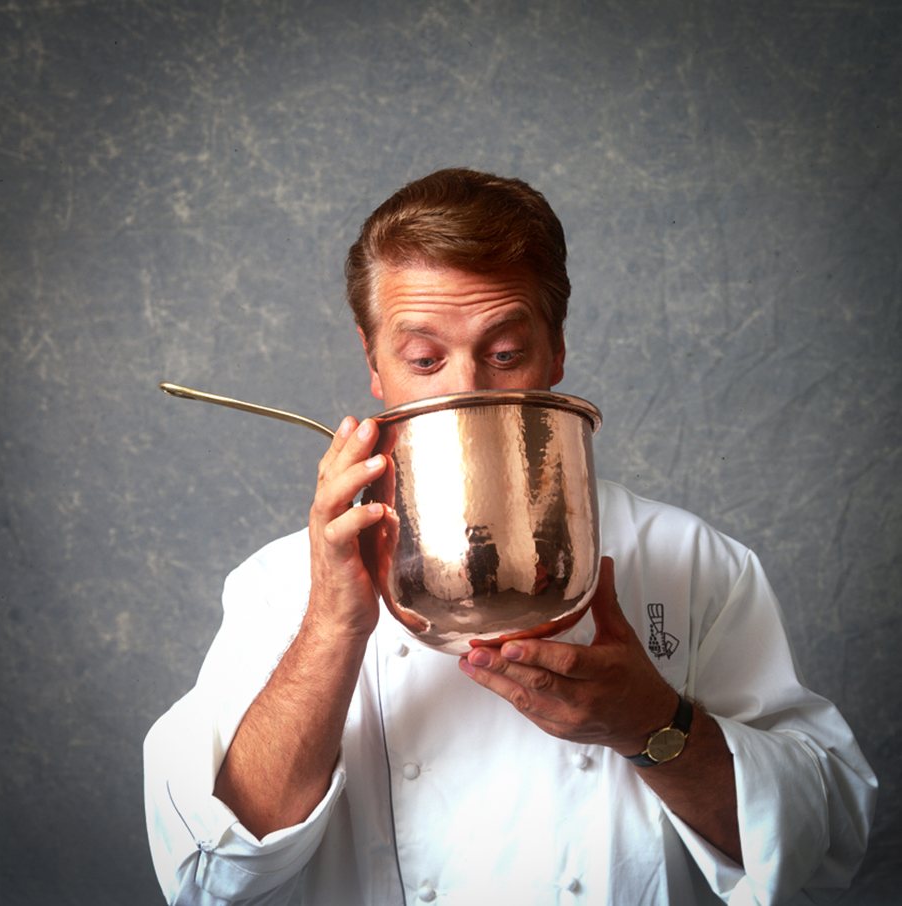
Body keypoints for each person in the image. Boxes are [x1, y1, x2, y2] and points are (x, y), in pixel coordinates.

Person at [144, 169, 876, 905]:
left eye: (503, 354)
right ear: (374, 365)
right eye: (424, 360)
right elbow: (209, 878)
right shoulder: (281, 586)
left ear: (554, 354)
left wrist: (651, 724)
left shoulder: (689, 560)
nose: (465, 388)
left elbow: (822, 848)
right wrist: (332, 625)